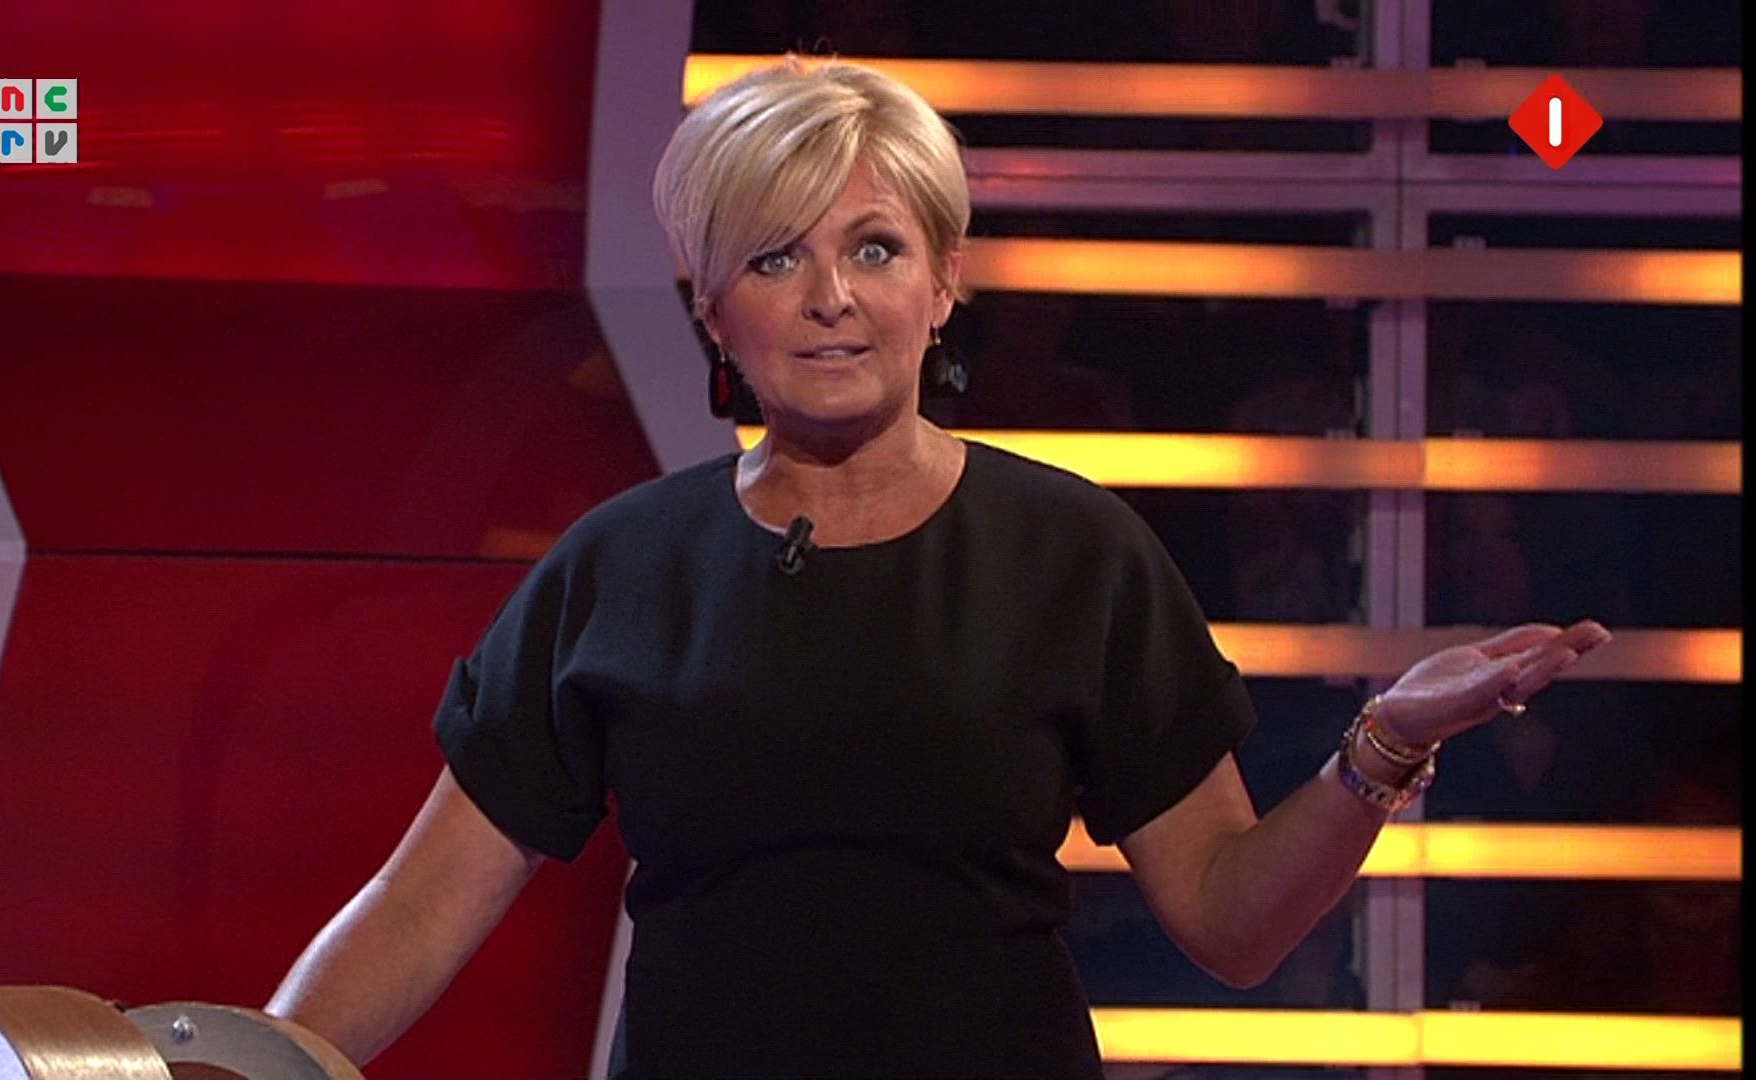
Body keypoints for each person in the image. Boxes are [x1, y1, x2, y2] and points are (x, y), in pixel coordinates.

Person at [263, 58, 1610, 1078]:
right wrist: (239, 1063)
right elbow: (415, 911)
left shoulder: (1072, 551)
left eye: (875, 248)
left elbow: (1231, 922)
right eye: (776, 258)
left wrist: (1383, 745)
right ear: (712, 310)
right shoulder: (621, 566)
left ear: (942, 283)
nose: (832, 298)